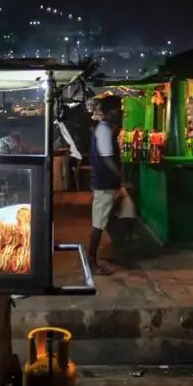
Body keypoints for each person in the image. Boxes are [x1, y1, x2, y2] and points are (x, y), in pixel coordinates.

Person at [89, 95, 127, 276]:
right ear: (110, 111)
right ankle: (92, 261)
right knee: (99, 223)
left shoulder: (105, 129)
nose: (120, 112)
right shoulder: (103, 130)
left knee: (109, 219)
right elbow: (107, 159)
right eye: (118, 109)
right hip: (105, 183)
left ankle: (113, 252)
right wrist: (122, 178)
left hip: (106, 183)